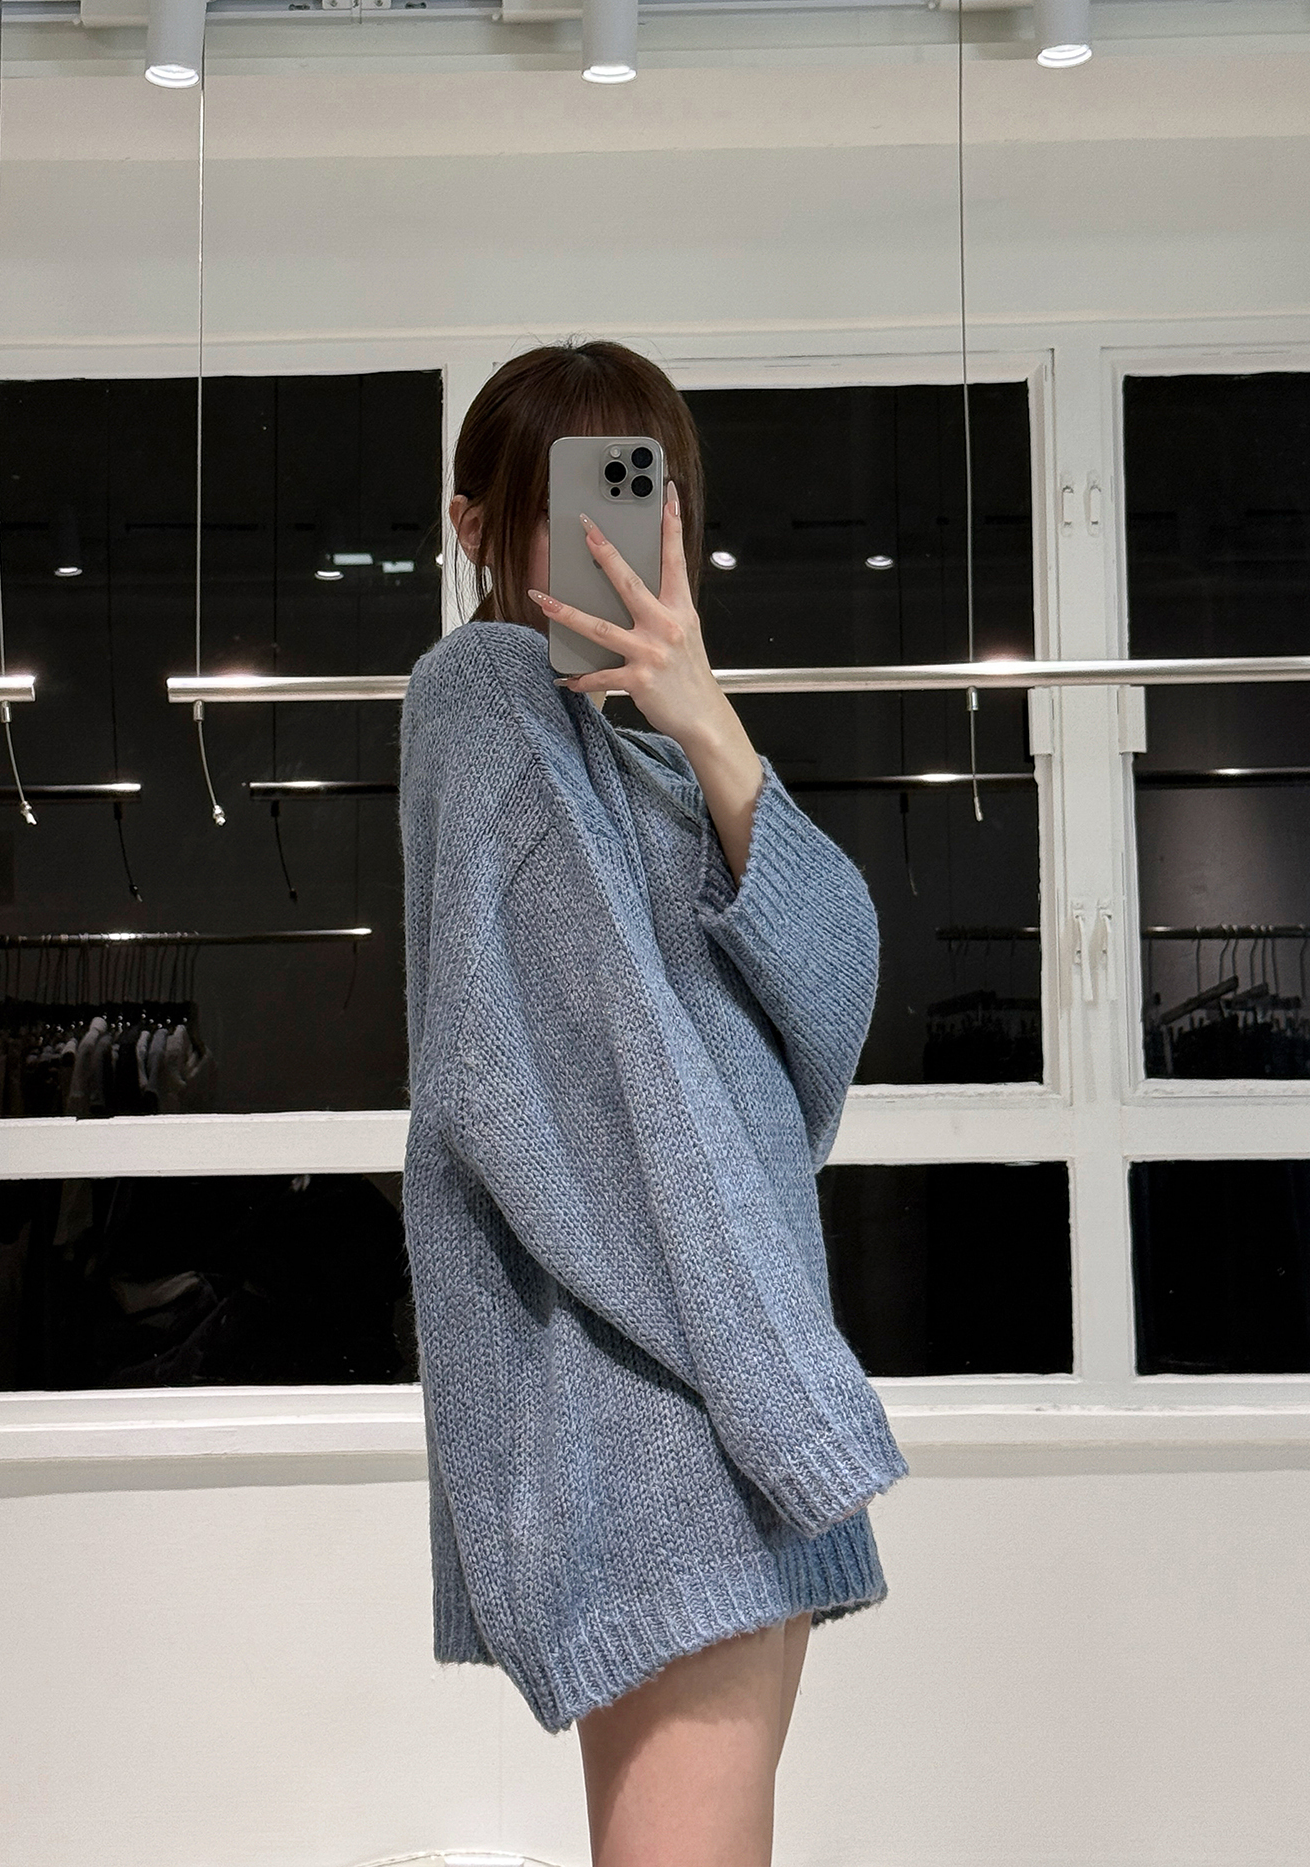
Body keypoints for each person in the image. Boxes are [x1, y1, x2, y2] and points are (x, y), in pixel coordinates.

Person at [399, 339, 905, 1867]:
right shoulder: (482, 695)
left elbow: (835, 996)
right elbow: (594, 1084)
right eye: (563, 497)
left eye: (640, 489)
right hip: (673, 1406)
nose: (609, 534)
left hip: (710, 1398)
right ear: (474, 524)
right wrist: (779, 1389)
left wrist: (707, 720)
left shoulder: (648, 759)